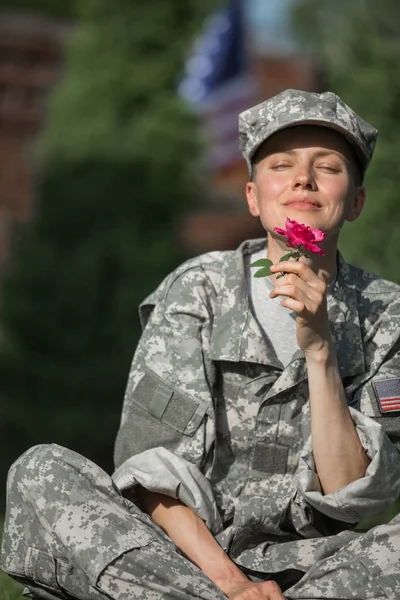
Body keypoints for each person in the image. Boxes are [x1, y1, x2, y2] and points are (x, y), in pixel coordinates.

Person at [2, 89, 400, 600]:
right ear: (254, 196)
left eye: (327, 166)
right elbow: (152, 476)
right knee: (41, 472)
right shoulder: (199, 290)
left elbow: (351, 498)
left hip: (320, 573)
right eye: (282, 165)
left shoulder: (387, 315)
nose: (304, 178)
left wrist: (320, 348)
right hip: (183, 557)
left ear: (356, 201)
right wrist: (231, 585)